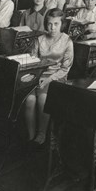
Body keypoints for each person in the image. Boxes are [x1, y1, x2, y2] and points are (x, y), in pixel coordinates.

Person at [24, 8, 74, 147]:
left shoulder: (67, 41)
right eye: (50, 24)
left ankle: (42, 133)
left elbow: (65, 68)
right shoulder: (40, 39)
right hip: (38, 75)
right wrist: (34, 77)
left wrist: (49, 79)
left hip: (57, 77)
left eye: (56, 24)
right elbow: (32, 61)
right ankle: (31, 135)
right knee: (29, 99)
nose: (52, 27)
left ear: (61, 24)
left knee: (42, 98)